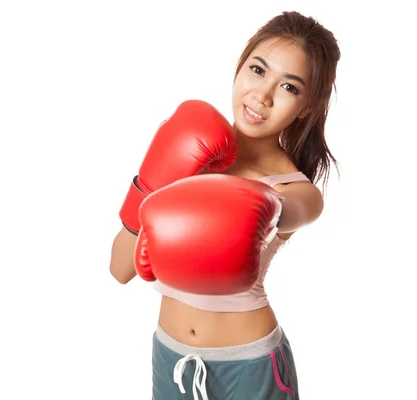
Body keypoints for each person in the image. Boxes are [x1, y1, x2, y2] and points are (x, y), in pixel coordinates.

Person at [109, 11, 340, 399]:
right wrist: (156, 176)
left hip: (250, 368)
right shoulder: (188, 146)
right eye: (257, 70)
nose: (261, 96)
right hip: (171, 357)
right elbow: (119, 268)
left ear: (305, 108)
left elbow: (287, 209)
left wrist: (248, 205)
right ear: (239, 67)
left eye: (289, 87)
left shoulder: (298, 192)